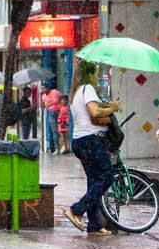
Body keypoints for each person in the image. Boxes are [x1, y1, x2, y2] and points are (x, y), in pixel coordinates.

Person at [64, 59, 121, 236]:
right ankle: (76, 210)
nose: (97, 76)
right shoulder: (87, 89)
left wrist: (110, 106)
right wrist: (112, 109)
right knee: (107, 177)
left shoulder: (76, 92)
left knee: (93, 181)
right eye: (95, 72)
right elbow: (94, 112)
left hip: (80, 141)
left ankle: (94, 224)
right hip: (91, 141)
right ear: (90, 74)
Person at [42, 85, 62, 154]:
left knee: (62, 130)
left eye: (44, 88)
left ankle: (64, 146)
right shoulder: (44, 96)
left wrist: (49, 103)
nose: (43, 90)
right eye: (42, 88)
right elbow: (45, 105)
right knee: (54, 131)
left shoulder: (54, 92)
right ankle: (57, 148)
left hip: (59, 112)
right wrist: (48, 103)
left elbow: (56, 100)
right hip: (50, 113)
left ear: (48, 88)